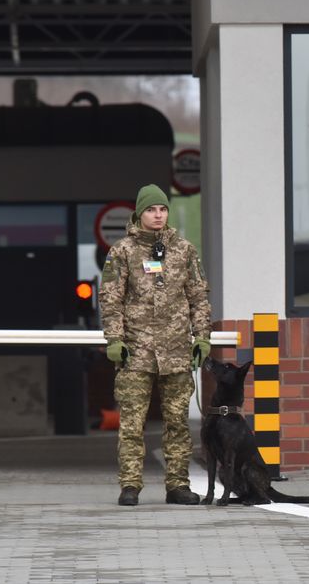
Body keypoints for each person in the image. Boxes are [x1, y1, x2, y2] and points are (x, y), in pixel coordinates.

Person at [99, 184, 212, 507]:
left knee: (177, 423)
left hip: (176, 351)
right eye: (151, 210)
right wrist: (114, 339)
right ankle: (130, 485)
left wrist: (202, 336)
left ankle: (178, 485)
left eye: (162, 209)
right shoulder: (122, 252)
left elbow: (198, 297)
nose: (158, 215)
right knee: (132, 423)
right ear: (140, 213)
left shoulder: (184, 250)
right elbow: (111, 299)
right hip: (136, 352)